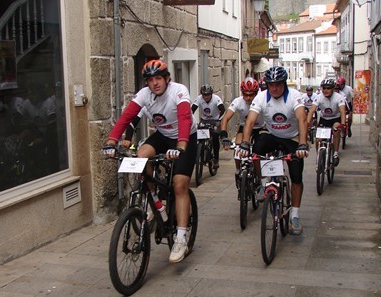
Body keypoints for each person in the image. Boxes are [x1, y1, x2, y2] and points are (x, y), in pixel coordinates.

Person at [103, 59, 197, 264]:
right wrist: (111, 142)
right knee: (141, 154)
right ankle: (154, 200)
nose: (155, 83)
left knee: (180, 184)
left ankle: (181, 237)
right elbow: (126, 117)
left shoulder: (178, 91)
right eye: (150, 80)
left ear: (167, 79)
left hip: (185, 137)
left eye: (158, 78)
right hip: (163, 135)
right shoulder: (145, 95)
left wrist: (181, 146)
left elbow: (184, 117)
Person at [236, 66, 309, 236]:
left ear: (284, 83)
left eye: (277, 84)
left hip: (291, 138)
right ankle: (263, 183)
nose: (274, 88)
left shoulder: (294, 97)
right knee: (256, 150)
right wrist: (245, 143)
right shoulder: (261, 97)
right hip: (272, 135)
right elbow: (250, 121)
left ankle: (295, 215)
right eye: (270, 84)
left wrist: (303, 144)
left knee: (297, 176)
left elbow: (302, 119)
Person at [219, 77, 265, 183]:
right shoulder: (238, 101)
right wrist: (224, 135)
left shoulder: (261, 101)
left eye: (251, 94)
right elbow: (225, 118)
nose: (248, 98)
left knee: (258, 152)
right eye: (245, 94)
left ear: (256, 93)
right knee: (238, 147)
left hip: (260, 128)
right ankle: (238, 170)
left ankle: (260, 177)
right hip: (244, 128)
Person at [307, 78, 346, 167]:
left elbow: (343, 111)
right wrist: (307, 123)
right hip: (324, 120)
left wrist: (343, 124)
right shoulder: (319, 97)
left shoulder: (338, 97)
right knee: (318, 139)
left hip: (335, 119)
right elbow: (312, 110)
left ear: (332, 89)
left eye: (328, 88)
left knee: (336, 131)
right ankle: (319, 156)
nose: (326, 90)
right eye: (324, 88)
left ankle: (335, 153)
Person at [191, 84, 225, 167]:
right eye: (204, 95)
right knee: (199, 137)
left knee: (215, 137)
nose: (206, 97)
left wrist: (219, 121)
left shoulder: (216, 99)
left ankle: (216, 158)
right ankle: (201, 153)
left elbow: (223, 111)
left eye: (208, 95)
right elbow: (192, 110)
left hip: (215, 120)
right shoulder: (199, 99)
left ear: (211, 94)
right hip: (204, 120)